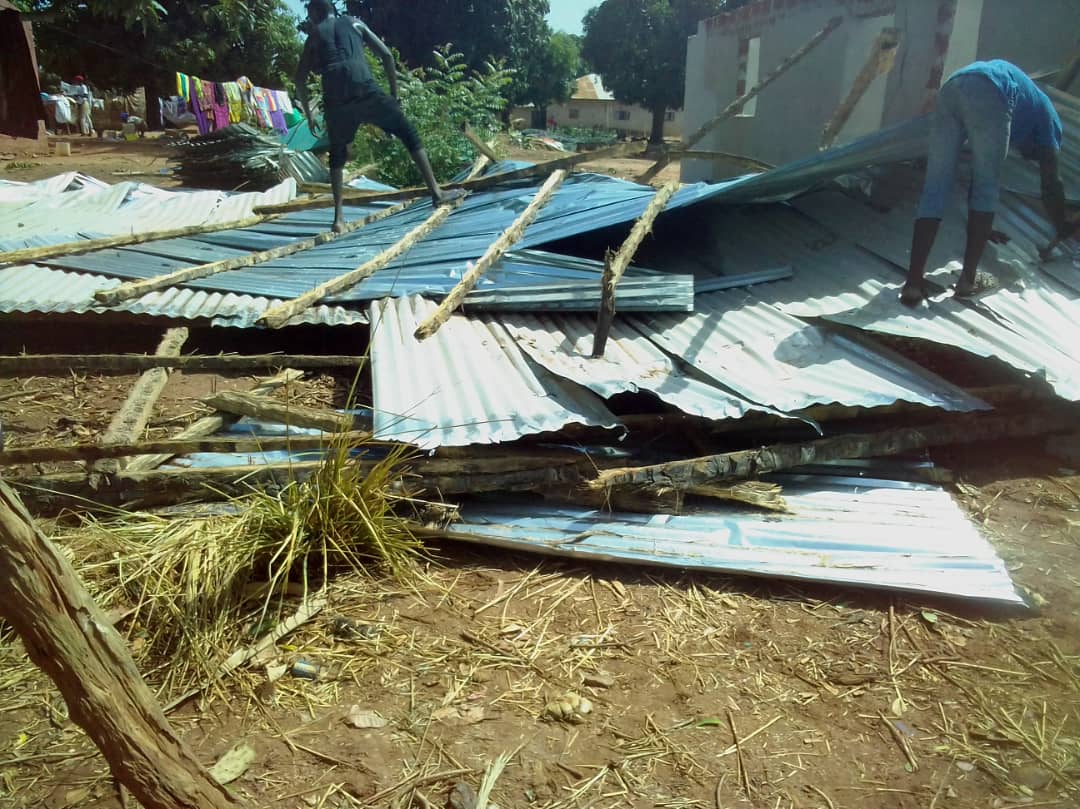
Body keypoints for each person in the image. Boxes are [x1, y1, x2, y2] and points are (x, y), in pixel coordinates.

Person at [900, 60, 1077, 306]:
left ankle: (912, 283)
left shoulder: (1026, 108)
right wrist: (1062, 225)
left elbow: (979, 167)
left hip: (954, 85)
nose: (1028, 157)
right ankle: (967, 280)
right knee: (988, 187)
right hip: (992, 89)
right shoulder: (1050, 124)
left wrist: (984, 227)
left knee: (935, 186)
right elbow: (1051, 184)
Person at [295, 0, 464, 233]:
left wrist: (309, 114)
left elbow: (299, 79)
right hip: (363, 87)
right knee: (407, 132)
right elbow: (386, 56)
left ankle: (338, 219)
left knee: (337, 154)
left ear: (315, 13)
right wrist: (394, 96)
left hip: (336, 97)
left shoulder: (313, 36)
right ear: (332, 9)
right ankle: (436, 193)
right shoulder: (355, 23)